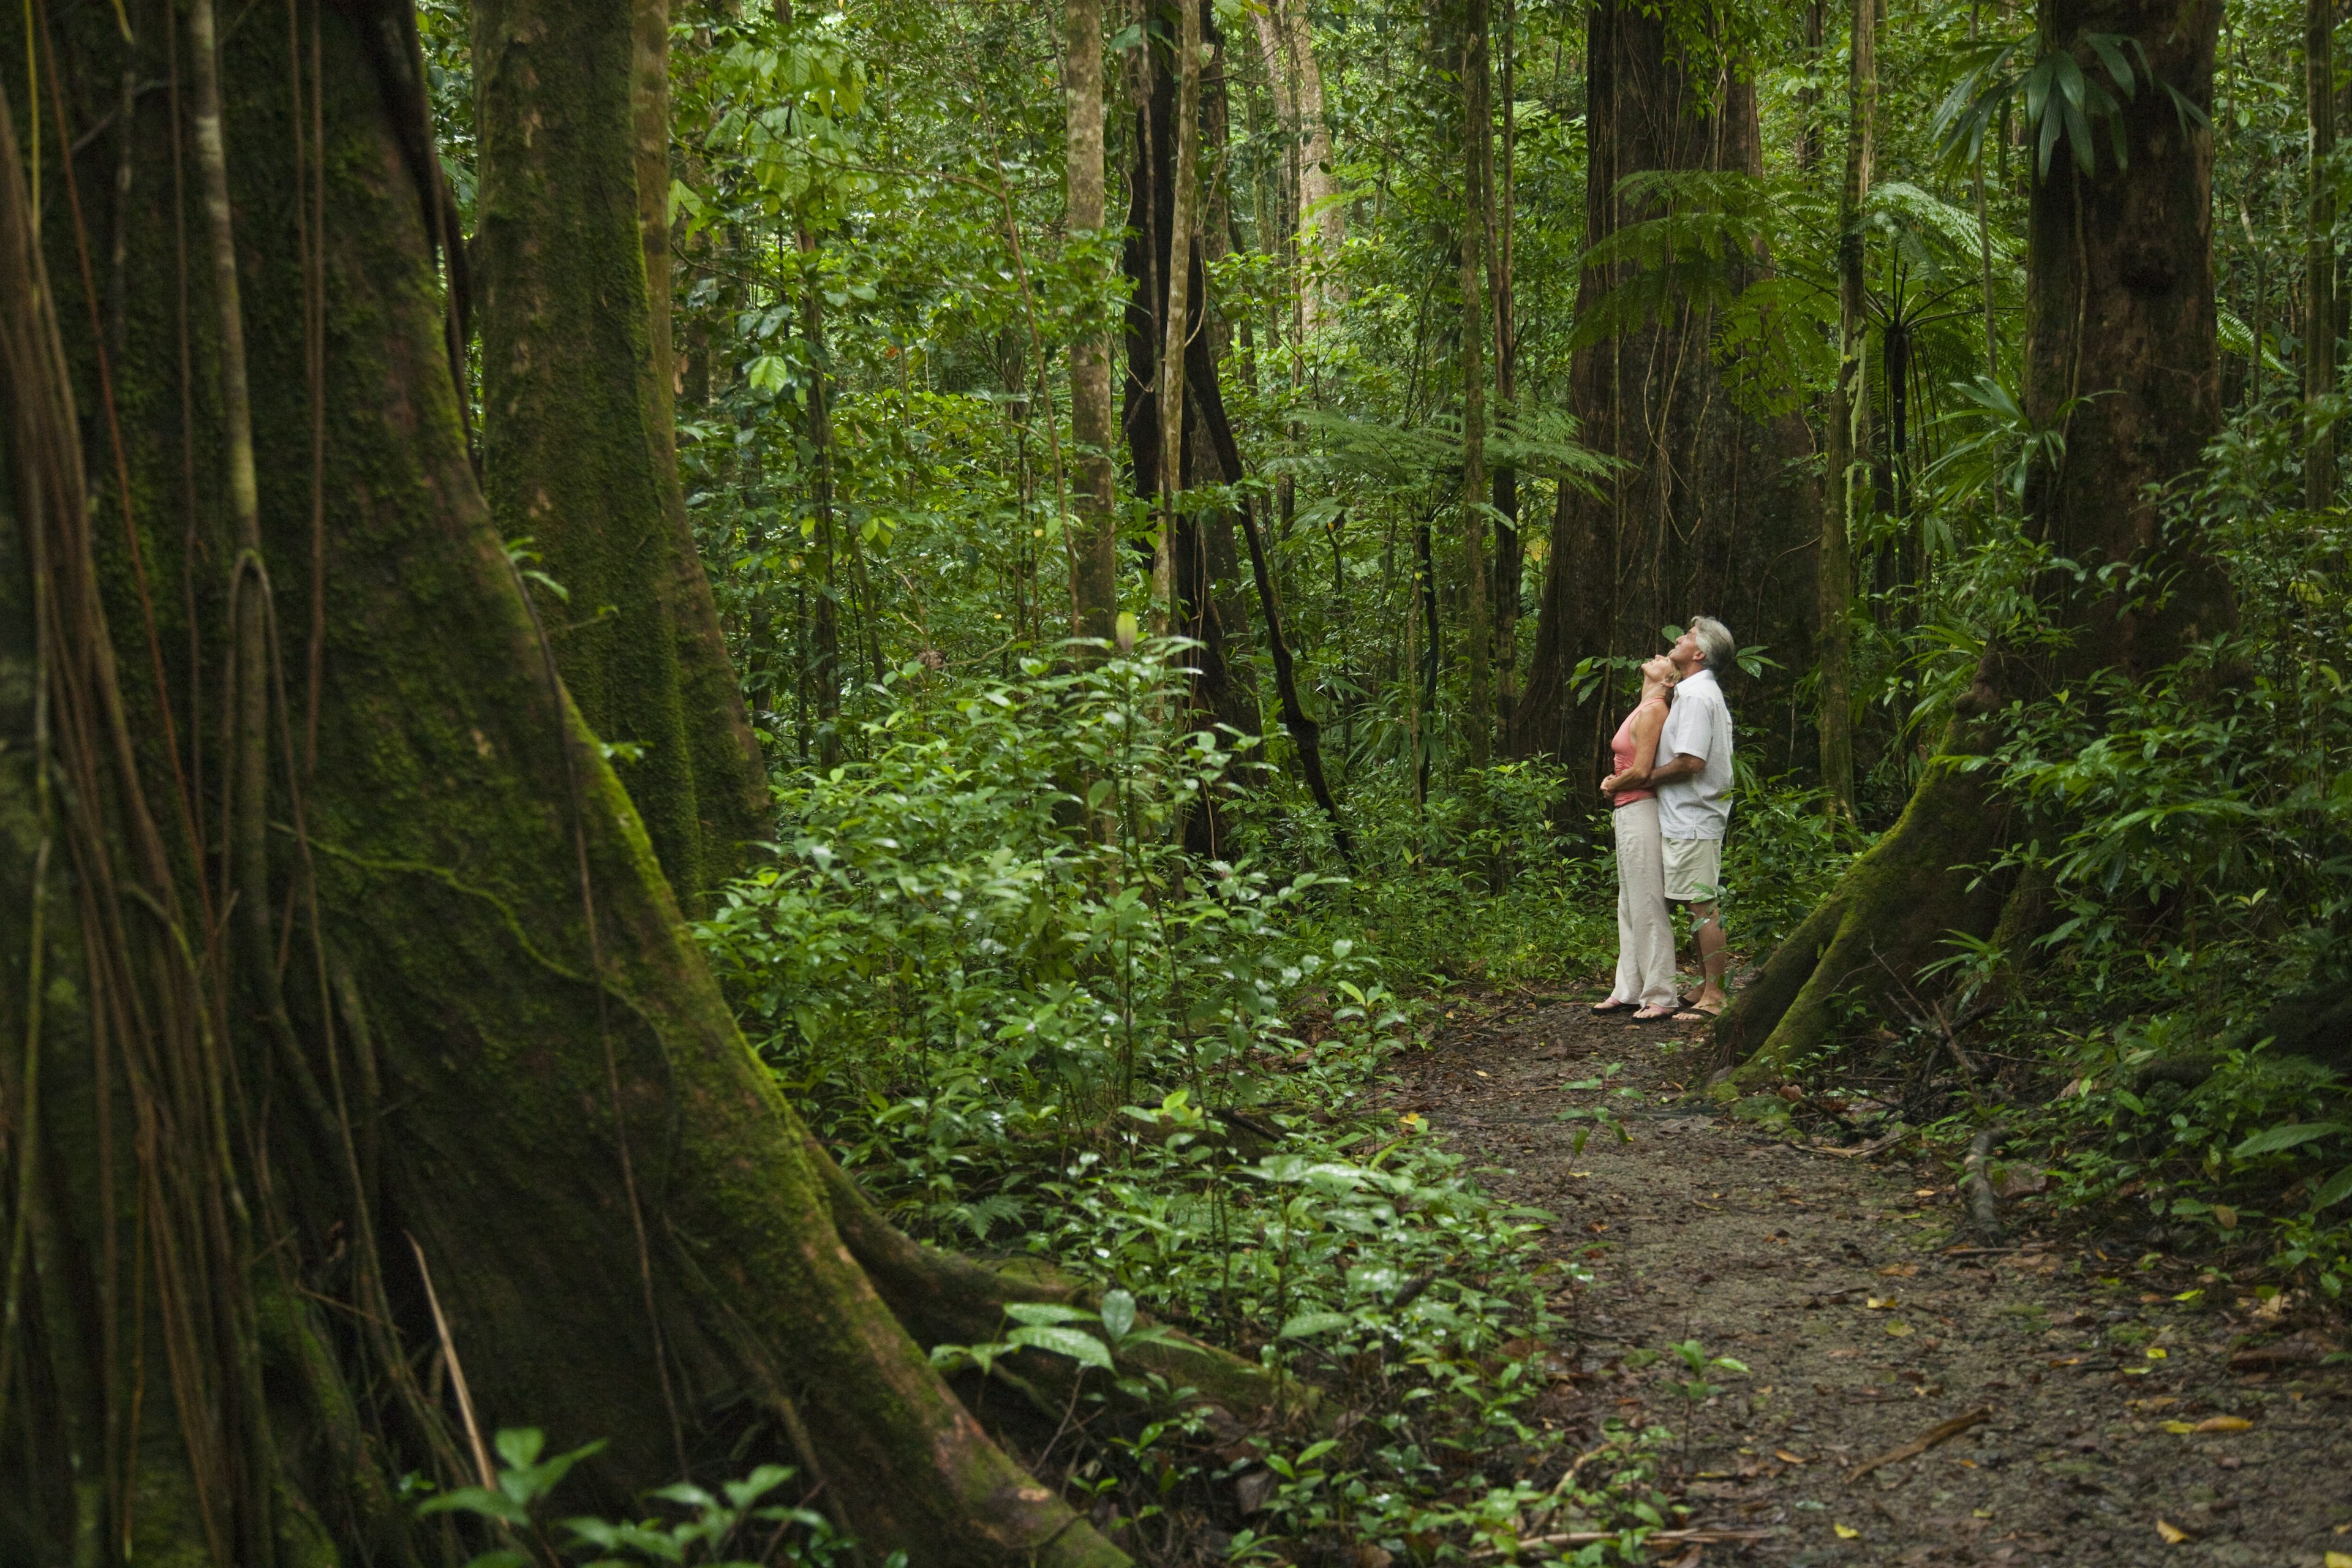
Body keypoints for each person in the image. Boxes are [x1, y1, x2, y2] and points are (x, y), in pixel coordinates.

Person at [1645, 617, 1736, 1022]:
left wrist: (1646, 777)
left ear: (1699, 654)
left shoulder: (1699, 697)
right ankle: (1705, 983)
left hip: (1695, 814)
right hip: (1688, 814)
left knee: (1702, 903)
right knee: (1694, 900)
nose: (1679, 637)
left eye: (1688, 636)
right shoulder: (1691, 692)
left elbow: (1692, 761)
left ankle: (1715, 995)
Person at [1593, 656, 1679, 1019]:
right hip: (1627, 811)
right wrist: (1615, 786)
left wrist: (1614, 783)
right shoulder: (1642, 707)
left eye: (1665, 659)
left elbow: (1643, 770)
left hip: (1642, 810)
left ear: (1670, 679)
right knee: (1628, 904)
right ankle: (1629, 987)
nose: (1657, 657)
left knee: (1647, 901)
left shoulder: (1655, 709)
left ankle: (1661, 993)